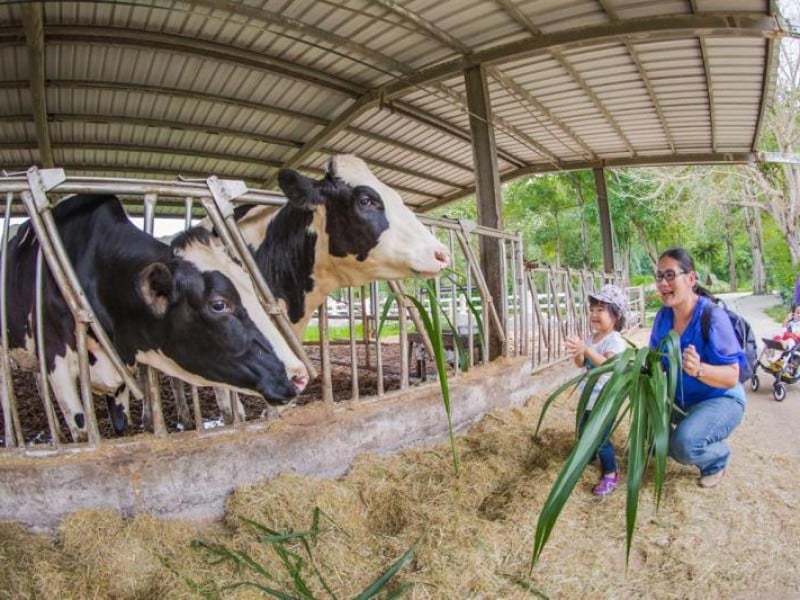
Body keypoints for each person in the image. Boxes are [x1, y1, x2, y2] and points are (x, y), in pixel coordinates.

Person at [648, 247, 746, 489]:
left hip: (721, 398)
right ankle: (684, 434)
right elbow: (654, 361)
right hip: (682, 399)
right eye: (659, 276)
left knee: (683, 445)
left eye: (670, 275)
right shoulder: (663, 317)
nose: (663, 283)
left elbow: (732, 376)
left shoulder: (712, 317)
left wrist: (699, 369)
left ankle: (716, 458)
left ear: (690, 278)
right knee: (649, 432)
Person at [565, 283, 629, 497]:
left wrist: (587, 350)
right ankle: (588, 453)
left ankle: (611, 473)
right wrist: (578, 351)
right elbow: (581, 364)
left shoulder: (616, 341)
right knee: (584, 429)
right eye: (592, 310)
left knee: (600, 437)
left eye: (601, 310)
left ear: (616, 315)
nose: (594, 314)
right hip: (588, 398)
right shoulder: (592, 338)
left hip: (604, 400)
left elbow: (608, 365)